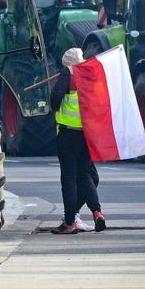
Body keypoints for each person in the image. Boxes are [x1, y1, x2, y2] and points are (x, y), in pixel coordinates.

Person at [49, 47, 107, 234]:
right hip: (87, 135)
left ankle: (69, 222)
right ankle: (97, 212)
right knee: (85, 175)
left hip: (68, 134)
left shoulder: (69, 74)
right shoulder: (90, 76)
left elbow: (56, 96)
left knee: (69, 179)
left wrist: (55, 108)